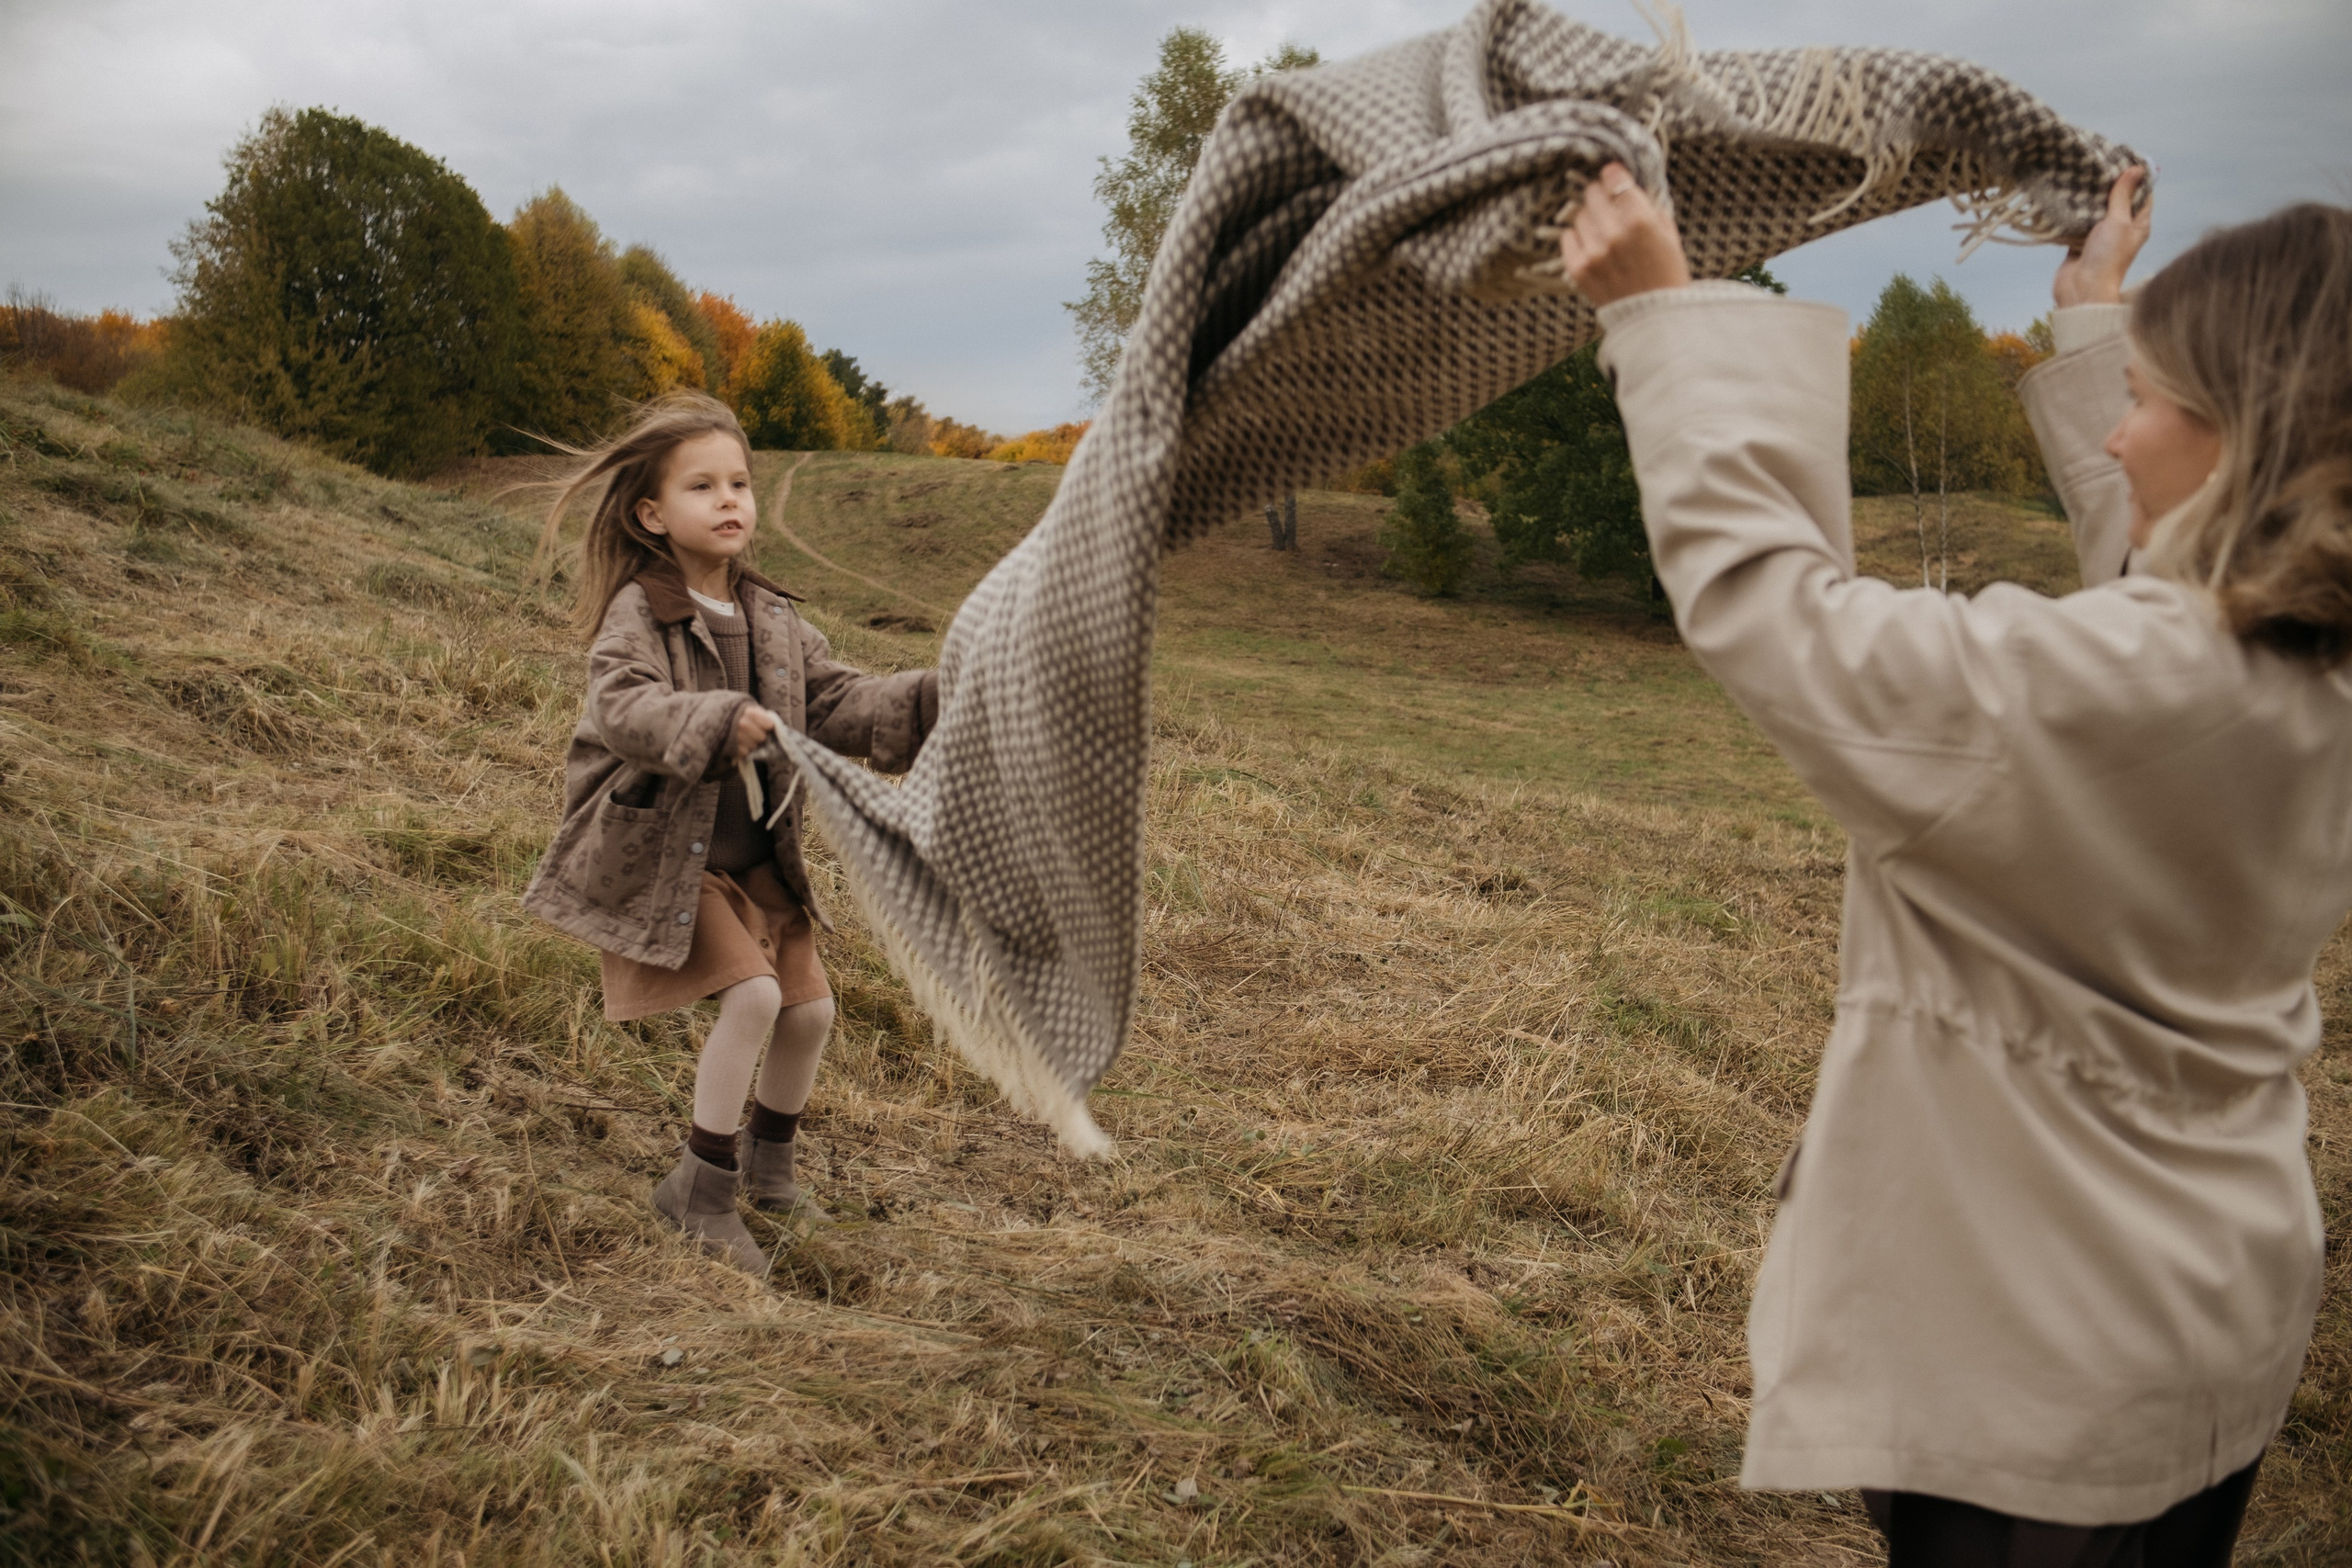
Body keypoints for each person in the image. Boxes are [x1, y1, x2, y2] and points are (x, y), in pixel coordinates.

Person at [1559, 164, 2349, 1562]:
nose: (2114, 438)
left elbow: (1772, 611)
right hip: (2206, 1309)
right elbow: (2172, 600)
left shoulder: (2117, 689)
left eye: (2153, 399)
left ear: (2251, 441)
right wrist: (2099, 308)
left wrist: (1664, 317)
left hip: (2040, 1360)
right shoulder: (2303, 659)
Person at [524, 392, 937, 1276]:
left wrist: (935, 697)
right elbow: (624, 707)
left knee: (811, 1010)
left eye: (740, 482)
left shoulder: (774, 615)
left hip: (760, 864)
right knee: (751, 1000)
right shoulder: (638, 613)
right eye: (702, 485)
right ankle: (699, 1189)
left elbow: (838, 700)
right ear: (651, 513)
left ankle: (768, 1163)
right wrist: (713, 718)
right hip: (675, 862)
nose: (729, 500)